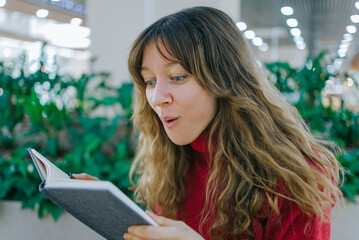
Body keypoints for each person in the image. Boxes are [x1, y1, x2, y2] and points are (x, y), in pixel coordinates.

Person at [75, 6, 343, 240]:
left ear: (223, 79)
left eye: (178, 77)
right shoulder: (172, 158)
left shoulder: (294, 175)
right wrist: (116, 214)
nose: (157, 98)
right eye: (150, 81)